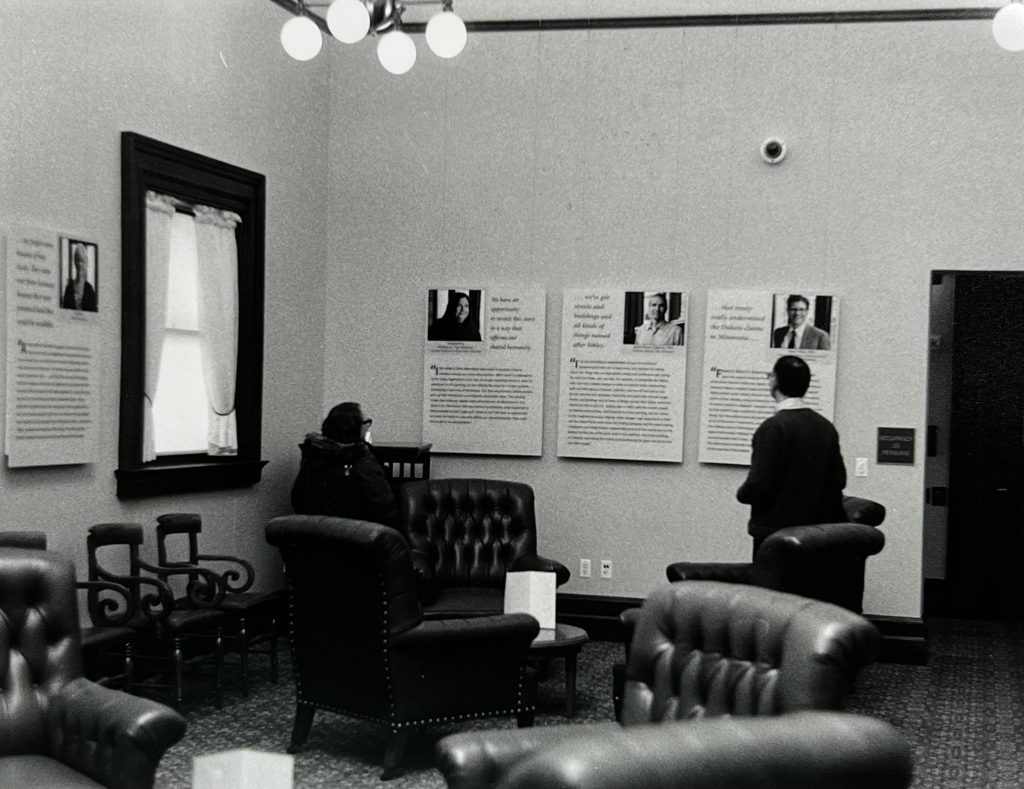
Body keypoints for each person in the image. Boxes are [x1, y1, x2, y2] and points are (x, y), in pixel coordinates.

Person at [736, 355, 847, 555]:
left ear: (775, 381)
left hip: (775, 535)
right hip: (817, 535)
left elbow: (758, 485)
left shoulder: (772, 428)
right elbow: (839, 479)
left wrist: (742, 494)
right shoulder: (825, 427)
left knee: (770, 586)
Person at [291, 402, 397, 527]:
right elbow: (383, 507)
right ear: (354, 427)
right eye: (366, 422)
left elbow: (298, 499)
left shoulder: (313, 455)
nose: (368, 426)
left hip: (315, 535)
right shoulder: (362, 460)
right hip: (359, 536)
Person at [61, 243, 98, 312]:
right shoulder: (69, 288)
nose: (79, 264)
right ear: (75, 262)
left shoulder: (89, 289)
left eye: (82, 261)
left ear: (85, 264)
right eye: (77, 260)